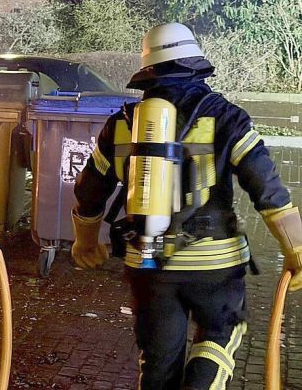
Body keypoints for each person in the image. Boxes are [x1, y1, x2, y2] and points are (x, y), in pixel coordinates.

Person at [72, 22, 302, 390]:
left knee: (158, 361)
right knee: (218, 334)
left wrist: (84, 241)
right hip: (215, 262)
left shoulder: (123, 124)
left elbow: (88, 193)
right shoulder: (227, 117)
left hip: (148, 263)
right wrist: (296, 250)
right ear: (196, 65)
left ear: (149, 72)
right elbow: (268, 190)